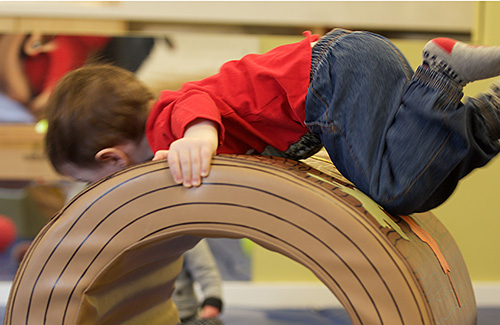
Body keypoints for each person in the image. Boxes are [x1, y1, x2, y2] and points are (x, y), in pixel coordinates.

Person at [45, 29, 500, 215]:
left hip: (332, 77)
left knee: (395, 188)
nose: (97, 190)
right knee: (424, 170)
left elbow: (193, 108)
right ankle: (492, 114)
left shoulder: (165, 127)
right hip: (350, 64)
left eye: (93, 181)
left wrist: (197, 138)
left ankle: (440, 74)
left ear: (112, 157)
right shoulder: (166, 133)